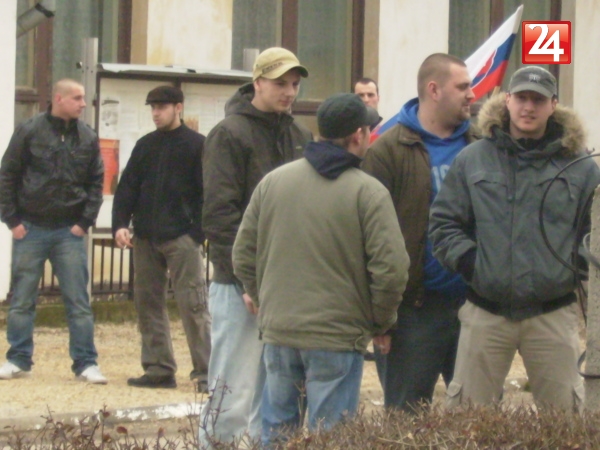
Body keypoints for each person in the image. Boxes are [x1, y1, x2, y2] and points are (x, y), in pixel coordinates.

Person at [233, 93, 410, 446]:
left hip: (280, 331)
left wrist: (264, 299)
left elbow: (241, 254)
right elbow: (391, 270)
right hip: (338, 337)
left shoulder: (273, 182)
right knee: (330, 439)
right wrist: (379, 321)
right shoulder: (369, 192)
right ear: (358, 135)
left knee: (276, 434)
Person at [429, 66, 600, 410]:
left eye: (538, 100)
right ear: (507, 100)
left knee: (566, 422)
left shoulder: (580, 167)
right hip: (485, 312)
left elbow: (593, 234)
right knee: (468, 421)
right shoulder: (472, 159)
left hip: (553, 314)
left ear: (553, 105)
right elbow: (444, 224)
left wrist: (574, 267)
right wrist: (472, 264)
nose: (528, 107)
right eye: (521, 98)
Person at [200, 47, 311, 444]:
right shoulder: (229, 134)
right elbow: (219, 215)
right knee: (231, 392)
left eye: (295, 84)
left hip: (285, 283)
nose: (290, 92)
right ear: (258, 82)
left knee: (276, 395)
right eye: (281, 83)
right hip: (238, 285)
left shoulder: (299, 135)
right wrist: (246, 279)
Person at [361, 53, 478, 411]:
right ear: (434, 90)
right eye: (463, 86)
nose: (472, 94)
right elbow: (367, 237)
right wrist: (379, 315)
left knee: (480, 419)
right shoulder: (388, 151)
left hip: (476, 307)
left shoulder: (482, 146)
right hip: (413, 313)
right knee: (406, 419)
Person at [0, 79, 106, 384]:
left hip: (69, 232)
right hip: (30, 228)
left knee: (78, 302)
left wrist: (84, 223)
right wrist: (12, 221)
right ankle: (18, 359)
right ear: (59, 98)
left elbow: (96, 182)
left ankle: (86, 363)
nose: (83, 103)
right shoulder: (29, 130)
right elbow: (7, 174)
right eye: (77, 98)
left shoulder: (87, 137)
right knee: (22, 301)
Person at [112, 86, 211, 390]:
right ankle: (158, 368)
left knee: (193, 305)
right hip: (145, 236)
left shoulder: (198, 145)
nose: (156, 113)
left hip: (182, 237)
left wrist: (196, 233)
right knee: (147, 304)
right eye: (153, 107)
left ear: (178, 107)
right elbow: (127, 187)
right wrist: (120, 224)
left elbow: (208, 192)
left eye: (162, 107)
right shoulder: (145, 145)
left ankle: (207, 372)